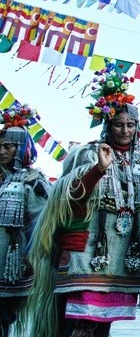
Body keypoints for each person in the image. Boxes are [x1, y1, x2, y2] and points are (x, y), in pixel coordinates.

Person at [29, 60, 140, 337]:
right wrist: (98, 169)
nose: (125, 131)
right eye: (118, 124)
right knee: (78, 321)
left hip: (121, 255)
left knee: (102, 323)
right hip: (86, 250)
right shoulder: (87, 154)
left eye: (130, 125)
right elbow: (69, 199)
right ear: (108, 124)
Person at [0, 104, 49, 337]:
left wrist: (33, 254)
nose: (1, 151)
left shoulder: (33, 180)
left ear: (20, 149)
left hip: (12, 262)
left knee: (3, 316)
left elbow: (40, 222)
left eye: (7, 147)